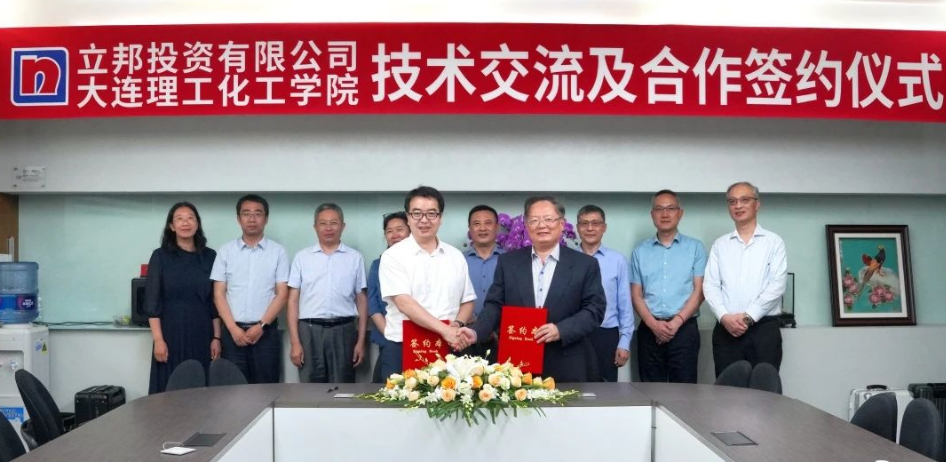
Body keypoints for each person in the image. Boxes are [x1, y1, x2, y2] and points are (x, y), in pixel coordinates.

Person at [461, 196, 606, 382]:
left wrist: (561, 330)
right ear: (527, 226)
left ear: (562, 224)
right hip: (518, 364)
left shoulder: (585, 264)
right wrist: (475, 332)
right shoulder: (508, 262)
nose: (542, 225)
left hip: (566, 360)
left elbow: (594, 309)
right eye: (534, 220)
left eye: (548, 219)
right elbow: (494, 305)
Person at [378, 186, 476, 379]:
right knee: (399, 399)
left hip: (448, 345)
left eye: (431, 213)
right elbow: (404, 303)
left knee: (450, 397)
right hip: (404, 346)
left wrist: (456, 325)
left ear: (441, 218)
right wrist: (445, 330)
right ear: (408, 217)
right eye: (417, 213)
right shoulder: (393, 256)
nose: (424, 220)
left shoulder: (455, 256)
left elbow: (467, 300)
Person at [704, 182, 787, 377]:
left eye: (744, 200)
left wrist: (748, 317)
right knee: (727, 390)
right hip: (726, 330)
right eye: (732, 201)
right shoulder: (720, 245)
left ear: (757, 204)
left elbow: (777, 285)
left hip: (763, 330)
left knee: (764, 389)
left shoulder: (774, 242)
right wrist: (724, 317)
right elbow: (710, 285)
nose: (738, 206)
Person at [630, 190, 707, 383]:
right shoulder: (640, 251)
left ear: (680, 213)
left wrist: (676, 323)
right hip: (649, 329)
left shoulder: (695, 248)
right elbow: (636, 294)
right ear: (652, 215)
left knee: (685, 391)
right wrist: (654, 325)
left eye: (671, 208)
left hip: (684, 329)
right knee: (649, 390)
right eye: (659, 209)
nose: (665, 214)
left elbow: (700, 291)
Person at [211, 194, 289, 384]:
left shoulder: (278, 252)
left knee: (266, 390)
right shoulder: (225, 252)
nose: (252, 219)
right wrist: (232, 329)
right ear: (239, 219)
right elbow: (218, 294)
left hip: (266, 334)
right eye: (246, 214)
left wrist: (261, 326)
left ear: (266, 218)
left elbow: (282, 294)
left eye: (257, 214)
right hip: (232, 333)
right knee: (233, 390)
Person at [287, 203, 368, 383]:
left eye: (334, 223)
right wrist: (295, 342)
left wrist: (361, 342)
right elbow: (292, 301)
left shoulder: (355, 258)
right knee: (310, 388)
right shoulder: (302, 258)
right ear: (315, 227)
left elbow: (362, 300)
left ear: (343, 226)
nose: (328, 228)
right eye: (323, 223)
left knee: (343, 387)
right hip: (309, 331)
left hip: (344, 330)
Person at [146, 202, 220, 394]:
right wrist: (158, 340)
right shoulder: (160, 256)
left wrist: (216, 337)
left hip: (202, 333)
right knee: (170, 389)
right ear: (172, 226)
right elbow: (152, 302)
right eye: (179, 219)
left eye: (190, 218)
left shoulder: (210, 256)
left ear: (197, 223)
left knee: (202, 390)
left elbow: (215, 302)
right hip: (171, 334)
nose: (185, 223)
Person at [576, 204, 632, 382]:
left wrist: (624, 342)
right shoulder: (568, 260)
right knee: (574, 387)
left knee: (606, 390)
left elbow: (625, 304)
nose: (590, 228)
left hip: (606, 334)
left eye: (595, 223)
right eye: (584, 223)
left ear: (604, 227)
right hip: (575, 334)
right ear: (577, 227)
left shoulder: (618, 260)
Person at [367, 212, 410, 383]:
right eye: (389, 231)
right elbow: (373, 305)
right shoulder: (377, 265)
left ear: (410, 231)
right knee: (388, 385)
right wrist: (390, 334)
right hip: (389, 336)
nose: (395, 235)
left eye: (400, 229)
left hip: (421, 338)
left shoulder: (422, 262)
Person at [463, 204, 503, 360]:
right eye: (476, 223)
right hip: (464, 336)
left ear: (497, 227)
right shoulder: (458, 261)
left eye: (488, 223)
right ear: (470, 228)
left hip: (501, 336)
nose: (482, 228)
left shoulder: (511, 261)